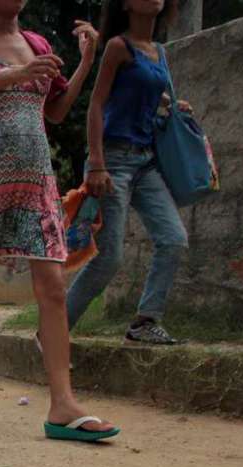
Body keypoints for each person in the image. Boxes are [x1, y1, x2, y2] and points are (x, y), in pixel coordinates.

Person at [0, 0, 119, 442]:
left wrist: (86, 63)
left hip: (37, 177)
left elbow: (56, 111)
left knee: (54, 288)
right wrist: (19, 74)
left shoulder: (37, 43)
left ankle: (63, 404)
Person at [68, 0, 188, 345]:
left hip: (147, 162)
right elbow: (97, 104)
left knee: (173, 239)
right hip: (113, 162)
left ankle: (146, 320)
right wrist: (96, 162)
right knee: (109, 260)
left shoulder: (159, 52)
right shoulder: (118, 47)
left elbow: (146, 90)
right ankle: (53, 332)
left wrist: (170, 103)